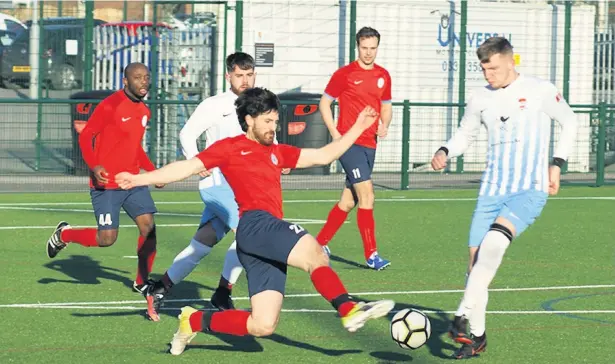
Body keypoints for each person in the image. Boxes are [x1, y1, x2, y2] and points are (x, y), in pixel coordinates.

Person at [115, 87, 395, 356]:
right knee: (315, 254)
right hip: (256, 224)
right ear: (249, 120)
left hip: (262, 240)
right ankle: (347, 309)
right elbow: (185, 168)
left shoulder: (276, 150)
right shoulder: (229, 148)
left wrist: (358, 127)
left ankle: (195, 321)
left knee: (263, 325)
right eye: (267, 120)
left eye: (275, 120)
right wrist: (140, 178)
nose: (274, 126)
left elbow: (323, 155)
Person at [430, 37, 578, 359]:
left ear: (511, 62)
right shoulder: (480, 97)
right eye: (484, 69)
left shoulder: (539, 90)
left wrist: (557, 164)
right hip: (490, 191)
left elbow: (569, 121)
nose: (488, 75)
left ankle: (460, 315)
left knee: (493, 246)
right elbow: (464, 135)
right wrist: (445, 150)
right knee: (474, 269)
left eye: (493, 68)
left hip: (529, 189)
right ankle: (478, 338)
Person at [145, 52, 263, 315]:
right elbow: (187, 133)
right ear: (228, 76)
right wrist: (196, 162)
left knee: (201, 244)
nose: (244, 80)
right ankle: (223, 293)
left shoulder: (260, 103)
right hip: (218, 183)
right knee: (250, 233)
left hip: (245, 185)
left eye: (249, 74)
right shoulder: (215, 104)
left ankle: (160, 287)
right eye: (239, 75)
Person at [45, 62, 164, 318]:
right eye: (137, 77)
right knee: (106, 239)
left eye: (147, 77)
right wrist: (94, 164)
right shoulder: (110, 105)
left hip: (131, 182)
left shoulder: (144, 110)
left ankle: (142, 281)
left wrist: (153, 172)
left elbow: (135, 147)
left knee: (149, 227)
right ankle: (64, 235)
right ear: (125, 81)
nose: (144, 82)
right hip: (106, 183)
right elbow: (86, 136)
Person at [315, 26, 392, 270]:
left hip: (370, 145)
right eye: (364, 48)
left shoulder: (383, 75)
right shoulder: (345, 74)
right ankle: (372, 255)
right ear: (357, 47)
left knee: (349, 201)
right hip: (349, 144)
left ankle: (319, 243)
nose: (368, 53)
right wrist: (336, 134)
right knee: (368, 194)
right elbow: (324, 104)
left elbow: (386, 106)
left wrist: (384, 124)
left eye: (373, 48)